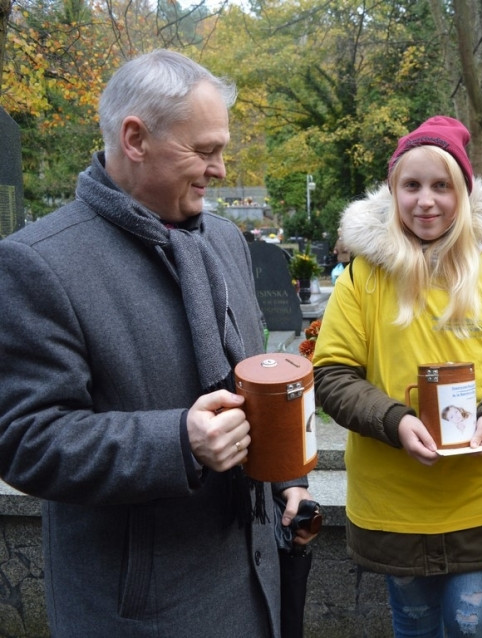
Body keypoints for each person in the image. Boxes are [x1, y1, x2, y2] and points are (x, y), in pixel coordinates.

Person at [0, 49, 317, 636]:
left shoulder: (222, 240)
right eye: (204, 150)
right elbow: (25, 441)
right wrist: (178, 441)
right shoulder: (38, 264)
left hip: (254, 590)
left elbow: (249, 384)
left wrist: (288, 479)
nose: (220, 169)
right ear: (135, 138)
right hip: (143, 611)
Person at [311, 115, 482, 636]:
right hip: (396, 502)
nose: (426, 201)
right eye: (411, 186)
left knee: (474, 627)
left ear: (464, 194)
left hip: (480, 496)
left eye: (442, 186)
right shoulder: (362, 279)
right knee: (413, 627)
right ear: (391, 191)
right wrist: (394, 421)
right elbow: (332, 374)